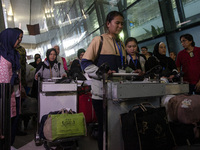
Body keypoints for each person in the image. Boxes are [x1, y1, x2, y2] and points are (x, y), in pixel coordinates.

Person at [81, 11, 126, 150]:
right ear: (108, 24)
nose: (120, 26)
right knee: (105, 128)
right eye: (117, 23)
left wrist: (131, 71)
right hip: (101, 94)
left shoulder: (121, 44)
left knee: (118, 127)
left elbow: (122, 68)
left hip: (118, 93)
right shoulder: (98, 40)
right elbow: (85, 63)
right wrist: (102, 73)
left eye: (122, 24)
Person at [0, 28, 21, 146]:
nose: (18, 41)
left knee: (14, 120)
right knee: (5, 122)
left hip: (15, 91)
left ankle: (10, 144)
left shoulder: (15, 54)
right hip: (4, 94)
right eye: (17, 38)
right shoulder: (2, 55)